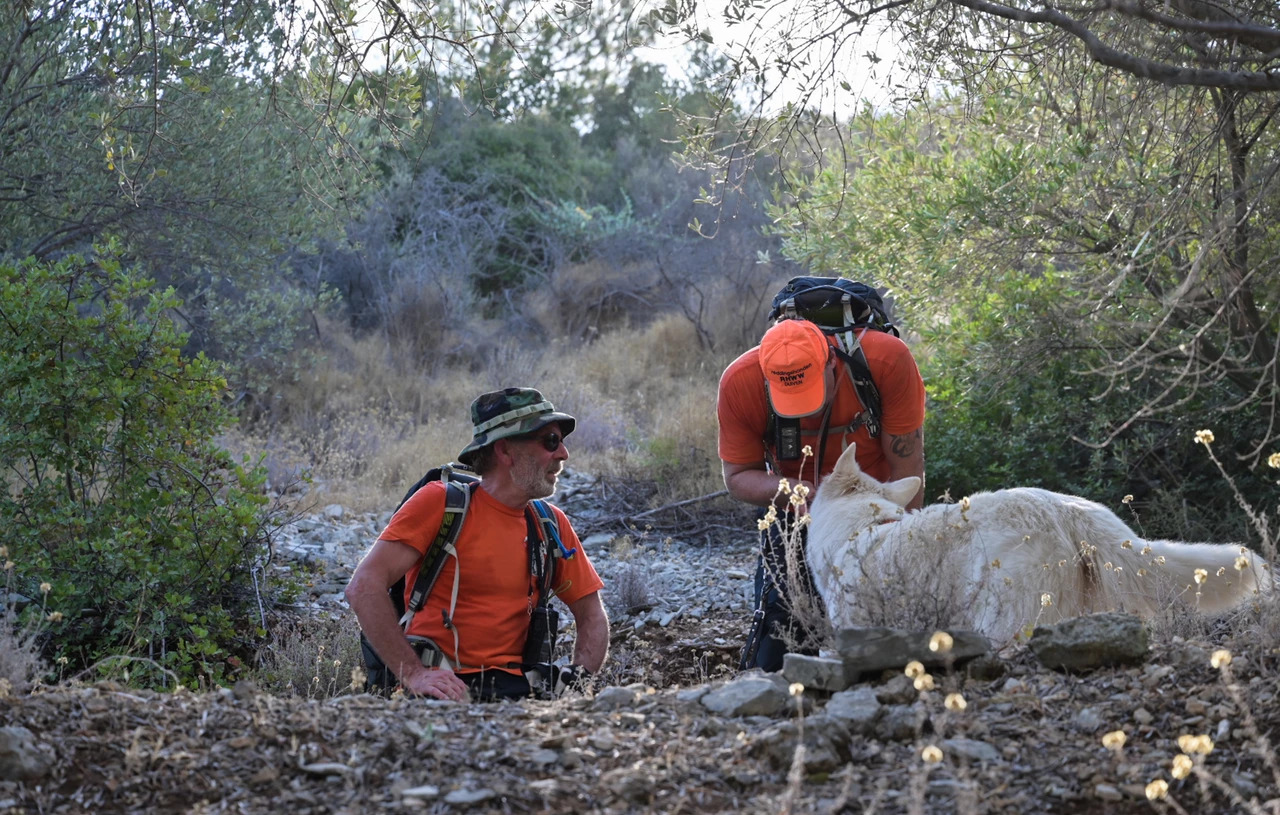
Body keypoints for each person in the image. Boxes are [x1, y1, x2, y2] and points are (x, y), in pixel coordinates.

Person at [346, 387, 610, 701]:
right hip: (446, 689)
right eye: (550, 441)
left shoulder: (550, 524)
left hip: (517, 691)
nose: (563, 454)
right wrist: (414, 674)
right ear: (505, 450)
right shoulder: (440, 504)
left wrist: (576, 691)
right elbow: (364, 587)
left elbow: (592, 615)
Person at [717, 315, 926, 672]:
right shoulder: (741, 381)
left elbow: (907, 469)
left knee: (886, 613)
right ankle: (776, 710)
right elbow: (737, 477)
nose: (803, 409)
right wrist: (800, 493)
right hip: (791, 504)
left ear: (832, 360)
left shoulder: (886, 361)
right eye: (789, 398)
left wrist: (906, 543)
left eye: (809, 391)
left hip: (871, 505)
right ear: (767, 378)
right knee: (781, 625)